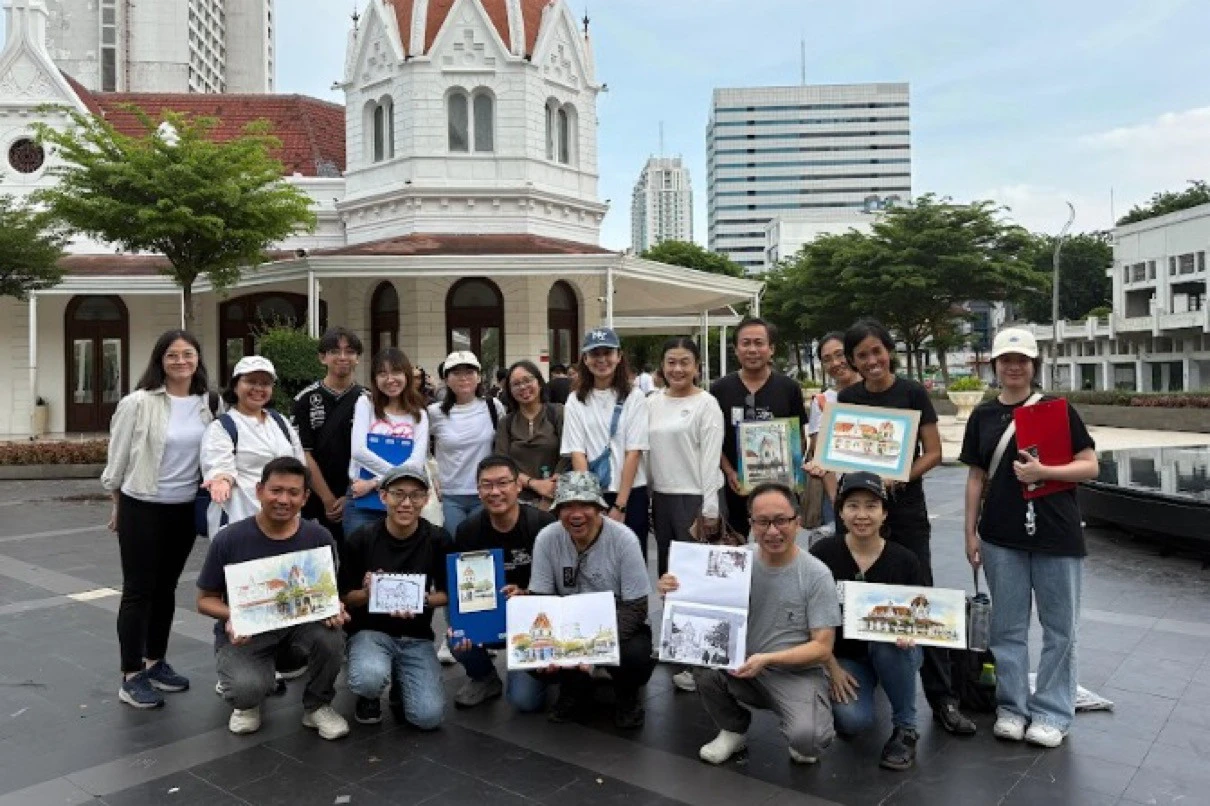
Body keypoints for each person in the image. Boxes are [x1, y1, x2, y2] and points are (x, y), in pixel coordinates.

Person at [837, 318, 976, 736]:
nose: (872, 360)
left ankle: (943, 699)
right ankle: (870, 678)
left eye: (877, 351)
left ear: (889, 351)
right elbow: (841, 451)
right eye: (862, 355)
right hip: (862, 511)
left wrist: (902, 476)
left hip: (906, 510)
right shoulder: (848, 396)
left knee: (922, 599)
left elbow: (934, 451)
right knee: (860, 593)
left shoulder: (912, 392)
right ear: (853, 361)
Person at [961, 328, 1098, 748]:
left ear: (1034, 365)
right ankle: (1012, 708)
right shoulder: (983, 416)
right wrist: (970, 531)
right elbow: (975, 477)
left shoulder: (1058, 409)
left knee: (1060, 629)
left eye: (1022, 359)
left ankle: (1053, 713)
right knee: (1007, 627)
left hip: (1056, 533)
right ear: (995, 365)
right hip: (1001, 535)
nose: (1014, 367)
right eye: (1006, 359)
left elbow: (1089, 465)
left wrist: (1045, 474)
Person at [659, 482, 839, 765]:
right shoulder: (734, 563)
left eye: (781, 521)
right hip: (740, 667)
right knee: (700, 656)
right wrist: (674, 592)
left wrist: (768, 659)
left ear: (797, 522)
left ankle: (801, 720)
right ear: (751, 524)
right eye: (763, 522)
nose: (772, 531)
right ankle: (733, 728)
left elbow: (822, 648)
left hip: (794, 673)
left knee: (809, 742)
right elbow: (697, 610)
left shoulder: (816, 574)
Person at [196, 457, 350, 740]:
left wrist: (334, 606)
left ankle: (318, 705)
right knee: (245, 690)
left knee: (332, 636)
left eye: (293, 493)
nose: (283, 499)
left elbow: (328, 593)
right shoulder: (229, 539)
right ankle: (248, 702)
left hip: (299, 630)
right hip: (248, 635)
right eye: (275, 490)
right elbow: (205, 600)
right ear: (258, 490)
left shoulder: (318, 537)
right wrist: (232, 616)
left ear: (305, 498)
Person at [102, 329, 215, 709]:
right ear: (160, 361)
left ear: (198, 359)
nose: (181, 361)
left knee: (166, 588)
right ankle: (130, 674)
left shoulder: (207, 403)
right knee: (138, 589)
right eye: (172, 355)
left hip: (184, 507)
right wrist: (116, 501)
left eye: (188, 354)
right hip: (142, 504)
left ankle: (155, 661)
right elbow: (117, 458)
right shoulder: (139, 402)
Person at [811, 472, 924, 771]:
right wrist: (830, 666)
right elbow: (809, 618)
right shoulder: (822, 555)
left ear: (884, 513)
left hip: (897, 651)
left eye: (871, 506)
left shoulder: (905, 560)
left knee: (890, 646)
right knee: (853, 721)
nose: (862, 515)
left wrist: (913, 636)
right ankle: (874, 684)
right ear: (841, 511)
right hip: (846, 657)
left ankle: (906, 728)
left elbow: (923, 616)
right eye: (853, 506)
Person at [526, 471, 656, 728]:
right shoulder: (546, 539)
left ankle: (627, 695)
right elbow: (540, 598)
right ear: (557, 510)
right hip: (567, 625)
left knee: (636, 655)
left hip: (618, 622)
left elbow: (637, 607)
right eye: (567, 506)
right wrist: (558, 647)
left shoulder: (624, 540)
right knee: (533, 654)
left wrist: (592, 648)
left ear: (599, 508)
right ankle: (572, 689)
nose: (576, 514)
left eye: (585, 505)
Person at [339, 465, 452, 729]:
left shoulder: (437, 539)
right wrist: (369, 593)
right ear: (383, 497)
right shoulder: (362, 539)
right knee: (369, 676)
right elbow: (344, 598)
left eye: (415, 496)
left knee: (428, 718)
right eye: (398, 494)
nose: (406, 503)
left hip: (416, 636)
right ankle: (368, 696)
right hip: (370, 631)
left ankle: (402, 685)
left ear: (426, 499)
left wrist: (423, 600)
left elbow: (448, 594)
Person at [449, 455, 556, 709]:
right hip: (491, 614)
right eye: (487, 485)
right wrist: (463, 622)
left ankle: (550, 670)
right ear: (478, 490)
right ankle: (484, 677)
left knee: (524, 701)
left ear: (518, 486)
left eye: (503, 483)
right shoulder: (468, 531)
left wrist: (527, 594)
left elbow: (561, 586)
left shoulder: (543, 525)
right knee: (458, 637)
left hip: (535, 617)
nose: (495, 492)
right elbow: (464, 588)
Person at [710, 317, 809, 537]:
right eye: (746, 343)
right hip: (736, 489)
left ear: (771, 349)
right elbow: (713, 440)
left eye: (759, 343)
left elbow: (798, 437)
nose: (752, 349)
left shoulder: (789, 388)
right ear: (736, 349)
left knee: (778, 541)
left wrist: (789, 472)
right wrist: (729, 472)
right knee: (739, 547)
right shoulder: (719, 389)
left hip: (780, 489)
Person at [561, 328, 650, 558]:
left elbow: (634, 452)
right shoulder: (575, 399)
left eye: (607, 353)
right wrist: (592, 503)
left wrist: (620, 506)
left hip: (630, 492)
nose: (602, 360)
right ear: (585, 359)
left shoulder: (635, 396)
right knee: (595, 560)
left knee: (630, 560)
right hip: (595, 493)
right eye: (594, 354)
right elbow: (577, 452)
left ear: (619, 356)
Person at [201, 356, 305, 537]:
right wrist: (222, 480)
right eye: (250, 381)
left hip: (285, 518)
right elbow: (218, 464)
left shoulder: (280, 422)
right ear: (235, 385)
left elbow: (299, 464)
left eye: (265, 383)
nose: (258, 388)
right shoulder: (223, 427)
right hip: (240, 519)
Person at [647, 337, 724, 579]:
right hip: (661, 499)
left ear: (697, 366)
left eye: (685, 362)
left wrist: (710, 508)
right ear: (662, 365)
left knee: (696, 574)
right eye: (671, 362)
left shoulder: (707, 404)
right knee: (668, 573)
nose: (677, 369)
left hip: (696, 498)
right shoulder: (651, 403)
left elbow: (712, 459)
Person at [344, 347, 430, 537]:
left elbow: (415, 465)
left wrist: (374, 483)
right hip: (362, 500)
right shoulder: (365, 404)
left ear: (407, 374)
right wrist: (377, 486)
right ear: (375, 379)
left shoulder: (419, 414)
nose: (390, 379)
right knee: (360, 561)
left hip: (403, 501)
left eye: (396, 372)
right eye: (383, 373)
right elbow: (358, 451)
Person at [293, 327, 364, 545]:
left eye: (349, 351)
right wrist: (328, 499)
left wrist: (349, 496)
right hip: (316, 498)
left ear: (357, 358)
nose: (343, 357)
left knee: (356, 563)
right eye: (335, 351)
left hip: (358, 496)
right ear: (322, 357)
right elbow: (303, 452)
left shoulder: (368, 400)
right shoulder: (304, 399)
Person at [428, 351, 505, 535]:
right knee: (456, 547)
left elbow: (502, 447)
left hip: (486, 493)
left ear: (479, 377)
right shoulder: (434, 412)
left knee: (483, 549)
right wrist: (432, 479)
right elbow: (422, 449)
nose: (463, 378)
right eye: (456, 373)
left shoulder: (493, 407)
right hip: (450, 495)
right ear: (446, 379)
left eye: (469, 372)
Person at [804, 332, 864, 525]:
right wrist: (836, 501)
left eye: (840, 354)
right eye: (827, 359)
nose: (836, 363)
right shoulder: (822, 401)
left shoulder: (875, 392)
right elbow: (822, 457)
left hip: (878, 492)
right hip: (839, 494)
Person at [495, 360, 568, 508]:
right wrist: (533, 483)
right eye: (516, 384)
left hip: (556, 496)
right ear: (509, 390)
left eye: (528, 380)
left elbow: (568, 454)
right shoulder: (506, 423)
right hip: (517, 500)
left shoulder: (558, 412)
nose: (523, 387)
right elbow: (502, 463)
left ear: (540, 382)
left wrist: (550, 488)